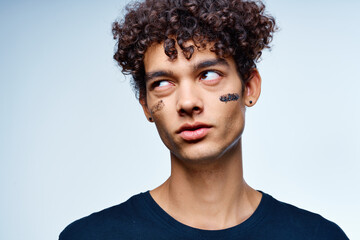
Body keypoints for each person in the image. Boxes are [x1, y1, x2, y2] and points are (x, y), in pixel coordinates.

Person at [59, 0, 348, 239]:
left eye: (208, 75)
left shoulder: (318, 235)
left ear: (249, 87)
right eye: (162, 82)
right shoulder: (91, 236)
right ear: (145, 105)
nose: (187, 103)